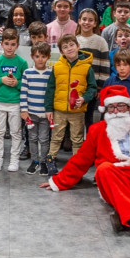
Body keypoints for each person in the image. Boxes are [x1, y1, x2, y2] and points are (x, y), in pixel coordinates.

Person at [40, 85, 130, 249]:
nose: (116, 111)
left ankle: (126, 217)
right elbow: (81, 159)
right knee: (104, 169)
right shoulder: (97, 130)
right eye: (111, 107)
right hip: (116, 180)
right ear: (105, 110)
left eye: (120, 106)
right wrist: (59, 181)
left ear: (129, 108)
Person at [43, 34, 96, 175]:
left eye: (72, 45)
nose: (69, 48)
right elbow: (50, 88)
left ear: (78, 46)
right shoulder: (57, 67)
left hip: (77, 111)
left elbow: (92, 87)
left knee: (77, 139)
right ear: (61, 51)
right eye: (65, 47)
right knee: (56, 137)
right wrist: (48, 108)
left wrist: (84, 98)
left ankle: (76, 164)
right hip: (59, 110)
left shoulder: (86, 67)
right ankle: (50, 159)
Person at [0, 28, 28, 172]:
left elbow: (26, 82)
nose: (9, 47)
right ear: (2, 44)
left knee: (16, 132)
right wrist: (1, 80)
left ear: (17, 45)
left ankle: (14, 159)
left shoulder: (22, 62)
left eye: (12, 44)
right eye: (7, 43)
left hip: (15, 103)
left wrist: (17, 83)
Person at [21, 42, 53, 175]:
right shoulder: (27, 73)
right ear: (32, 56)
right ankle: (35, 161)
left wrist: (51, 110)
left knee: (44, 139)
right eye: (37, 56)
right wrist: (23, 110)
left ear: (48, 57)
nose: (40, 59)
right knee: (32, 138)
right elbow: (24, 92)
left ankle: (44, 161)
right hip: (31, 115)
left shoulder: (51, 73)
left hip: (45, 115)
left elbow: (52, 93)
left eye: (43, 56)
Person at [76, 8, 109, 129]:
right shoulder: (75, 40)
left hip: (92, 86)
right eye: (84, 19)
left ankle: (88, 140)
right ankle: (73, 139)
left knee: (89, 116)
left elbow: (104, 66)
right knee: (76, 114)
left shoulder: (100, 41)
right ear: (79, 21)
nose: (87, 22)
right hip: (78, 85)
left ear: (95, 23)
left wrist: (99, 87)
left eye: (91, 20)